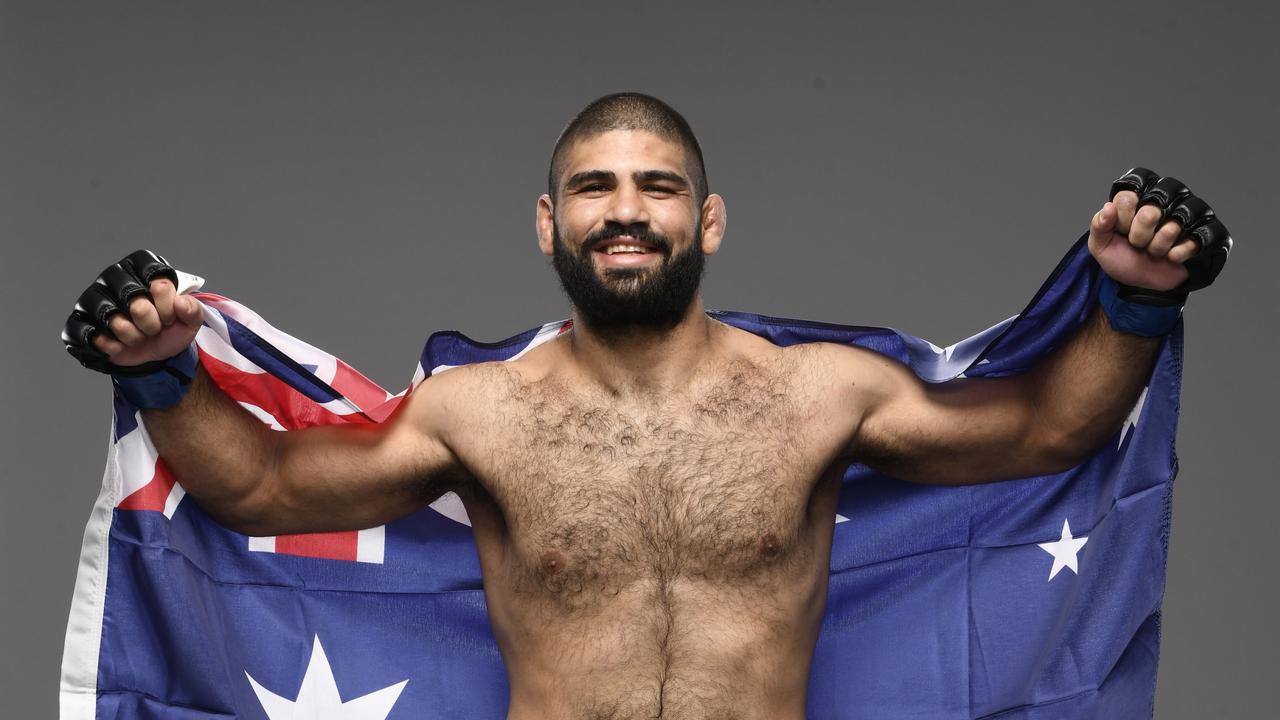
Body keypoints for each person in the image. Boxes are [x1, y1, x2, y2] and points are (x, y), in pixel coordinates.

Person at [61, 93, 1230, 719]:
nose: (626, 212)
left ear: (704, 222)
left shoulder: (818, 394)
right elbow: (257, 488)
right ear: (547, 221)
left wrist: (1129, 303)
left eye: (657, 187)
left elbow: (1046, 433)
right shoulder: (477, 412)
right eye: (593, 188)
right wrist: (165, 371)